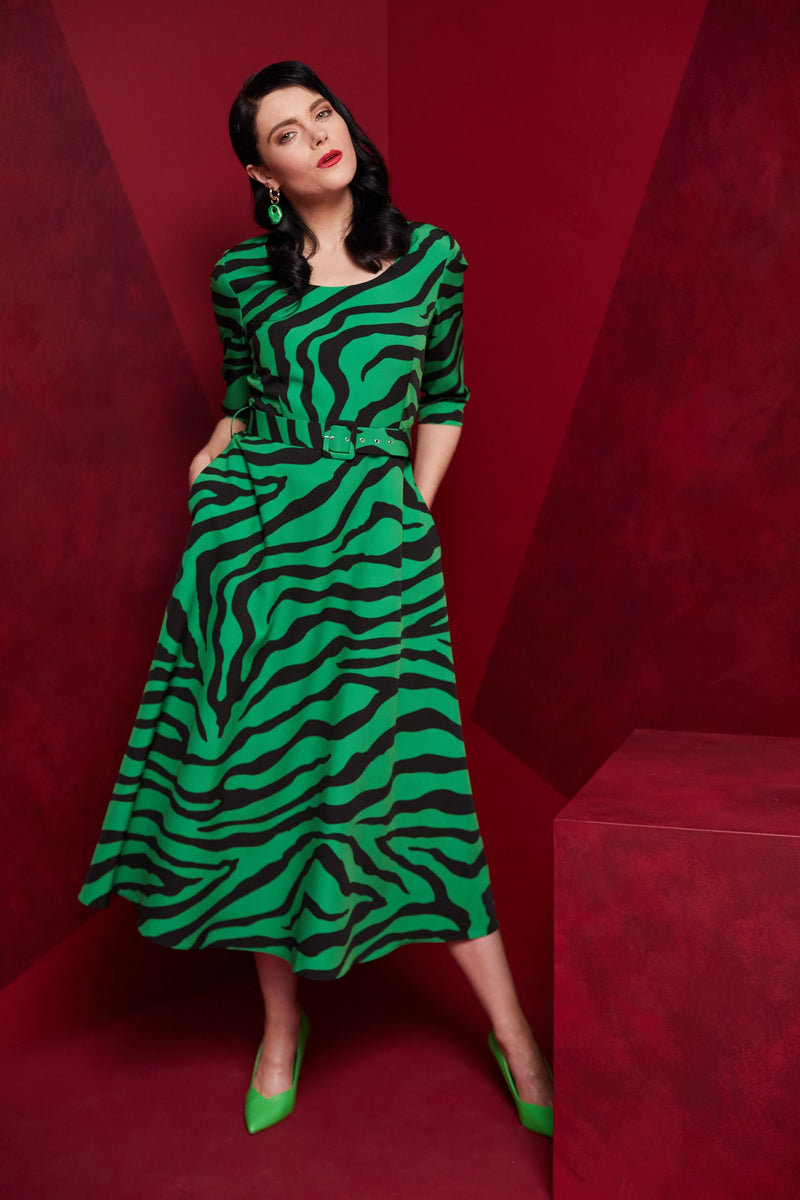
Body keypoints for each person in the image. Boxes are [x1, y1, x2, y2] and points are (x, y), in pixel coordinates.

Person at [77, 60, 553, 1137]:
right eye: (286, 133)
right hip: (254, 559)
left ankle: (513, 1034)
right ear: (262, 172)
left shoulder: (430, 258)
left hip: (374, 549)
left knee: (421, 789)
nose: (317, 135)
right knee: (263, 790)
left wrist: (412, 510)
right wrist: (217, 445)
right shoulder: (241, 278)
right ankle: (280, 1033)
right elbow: (246, 396)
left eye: (322, 113)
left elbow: (444, 397)